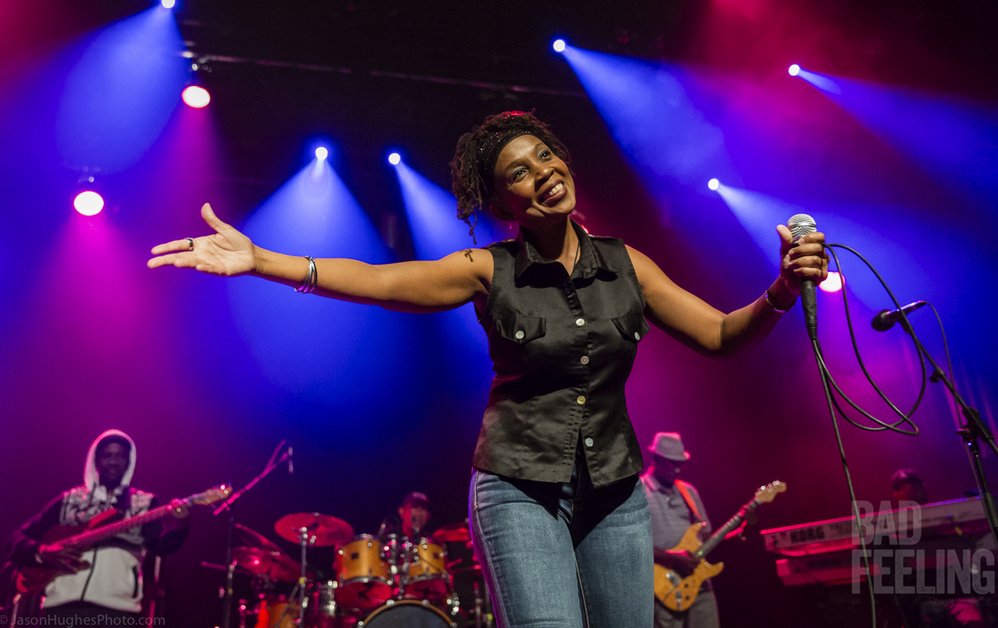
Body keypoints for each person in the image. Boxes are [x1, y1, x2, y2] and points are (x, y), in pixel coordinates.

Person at [148, 111, 827, 627]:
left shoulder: (628, 263)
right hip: (519, 488)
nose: (543, 171)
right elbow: (382, 281)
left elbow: (717, 333)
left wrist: (779, 293)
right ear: (505, 204)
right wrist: (262, 259)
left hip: (617, 494)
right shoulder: (487, 269)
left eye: (545, 156)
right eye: (521, 172)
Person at [5, 429, 190, 622]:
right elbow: (16, 538)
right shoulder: (68, 500)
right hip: (59, 610)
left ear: (129, 462)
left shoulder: (144, 503)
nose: (113, 462)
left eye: (120, 456)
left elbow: (160, 547)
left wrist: (181, 525)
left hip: (117, 613)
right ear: (95, 460)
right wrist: (41, 552)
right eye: (107, 455)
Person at [641, 431, 721, 628]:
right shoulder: (639, 491)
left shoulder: (689, 491)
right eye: (671, 463)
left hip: (698, 583)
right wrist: (675, 558)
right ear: (656, 458)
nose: (676, 469)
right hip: (663, 585)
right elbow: (633, 544)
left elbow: (705, 534)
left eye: (679, 463)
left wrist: (735, 530)